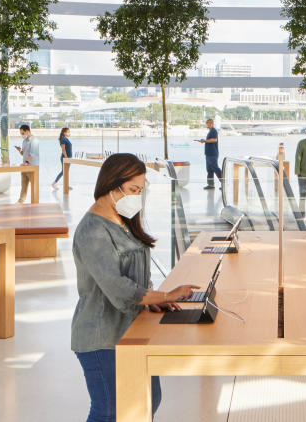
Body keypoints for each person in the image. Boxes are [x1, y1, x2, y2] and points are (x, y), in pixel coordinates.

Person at [72, 152, 197, 419]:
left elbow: (138, 275)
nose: (136, 196)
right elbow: (118, 288)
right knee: (109, 411)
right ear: (111, 185)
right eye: (132, 189)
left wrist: (154, 300)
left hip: (131, 333)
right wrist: (164, 294)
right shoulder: (92, 230)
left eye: (140, 190)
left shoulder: (124, 221)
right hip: (102, 338)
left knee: (149, 400)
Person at [16, 122, 39, 202]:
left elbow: (32, 154)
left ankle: (35, 202)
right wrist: (20, 151)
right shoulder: (24, 141)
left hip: (32, 167)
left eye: (23, 133)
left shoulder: (34, 140)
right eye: (21, 133)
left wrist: (26, 163)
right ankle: (20, 201)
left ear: (27, 131)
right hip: (24, 166)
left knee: (34, 186)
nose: (22, 135)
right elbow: (24, 154)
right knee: (24, 186)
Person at [200, 117, 221, 190]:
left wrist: (205, 141)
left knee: (215, 168)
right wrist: (204, 141)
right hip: (208, 154)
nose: (207, 125)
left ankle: (224, 183)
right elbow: (209, 140)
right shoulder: (210, 131)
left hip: (212, 154)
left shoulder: (214, 131)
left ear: (211, 123)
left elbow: (214, 140)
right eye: (206, 123)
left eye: (208, 123)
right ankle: (211, 185)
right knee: (209, 169)